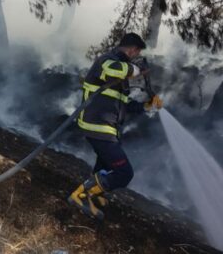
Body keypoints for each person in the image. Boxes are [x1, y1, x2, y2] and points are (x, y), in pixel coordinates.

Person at [67, 32, 163, 219]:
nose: (136, 56)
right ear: (132, 49)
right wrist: (136, 70)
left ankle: (95, 193)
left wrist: (146, 105)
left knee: (103, 165)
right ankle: (80, 196)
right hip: (97, 126)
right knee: (124, 172)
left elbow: (123, 105)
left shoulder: (119, 80)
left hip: (107, 129)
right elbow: (116, 69)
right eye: (136, 53)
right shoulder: (106, 60)